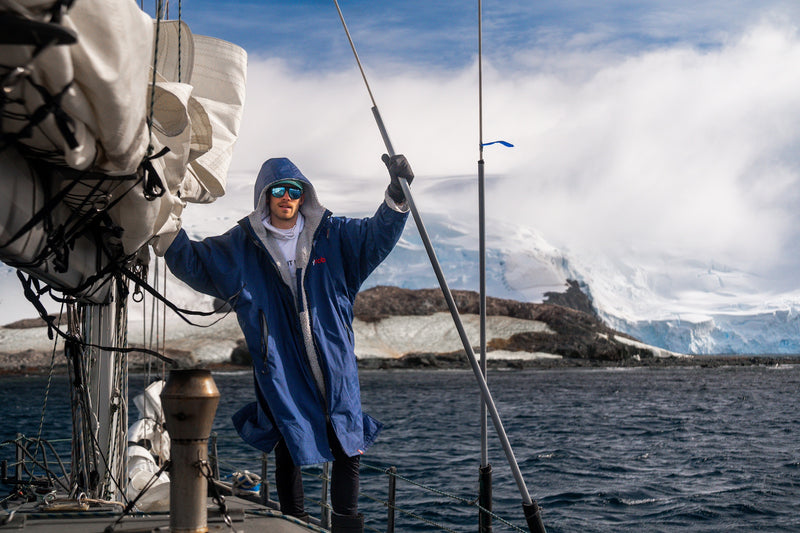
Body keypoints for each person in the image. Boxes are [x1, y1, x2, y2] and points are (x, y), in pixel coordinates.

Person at [163, 154, 414, 532]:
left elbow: (376, 236)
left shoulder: (336, 235)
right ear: (264, 196)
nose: (285, 197)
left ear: (303, 196)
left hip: (335, 365)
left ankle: (347, 526)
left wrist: (397, 195)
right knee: (288, 443)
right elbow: (193, 261)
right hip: (279, 364)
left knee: (348, 447)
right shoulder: (241, 247)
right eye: (276, 190)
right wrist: (163, 217)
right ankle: (293, 525)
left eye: (293, 190)